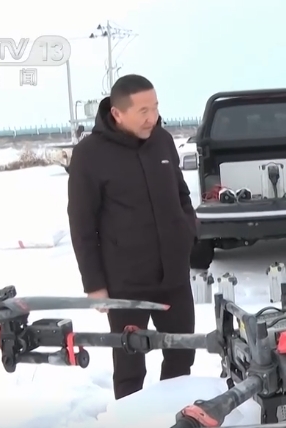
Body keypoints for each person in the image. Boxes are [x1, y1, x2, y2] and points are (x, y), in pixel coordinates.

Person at [67, 74, 198, 400]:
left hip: (174, 277)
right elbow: (82, 223)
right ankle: (131, 416)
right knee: (130, 366)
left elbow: (181, 193)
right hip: (126, 283)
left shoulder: (162, 141)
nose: (153, 117)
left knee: (182, 353)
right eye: (143, 111)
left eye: (155, 107)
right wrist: (94, 284)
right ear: (117, 113)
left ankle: (173, 413)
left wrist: (188, 230)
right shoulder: (89, 155)